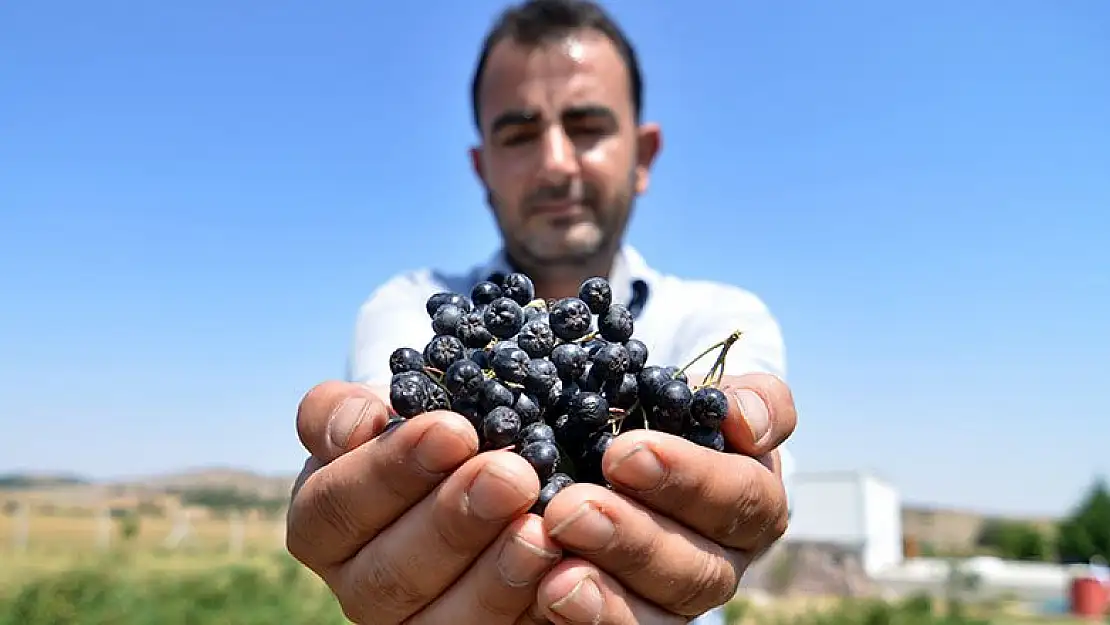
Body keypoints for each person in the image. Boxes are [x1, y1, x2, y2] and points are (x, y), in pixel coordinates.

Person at [285, 1, 799, 623]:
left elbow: (754, 475)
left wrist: (747, 488)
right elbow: (388, 417)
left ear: (644, 154)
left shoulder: (718, 314)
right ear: (481, 167)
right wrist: (374, 470)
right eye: (520, 134)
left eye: (587, 127)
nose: (555, 162)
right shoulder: (410, 303)